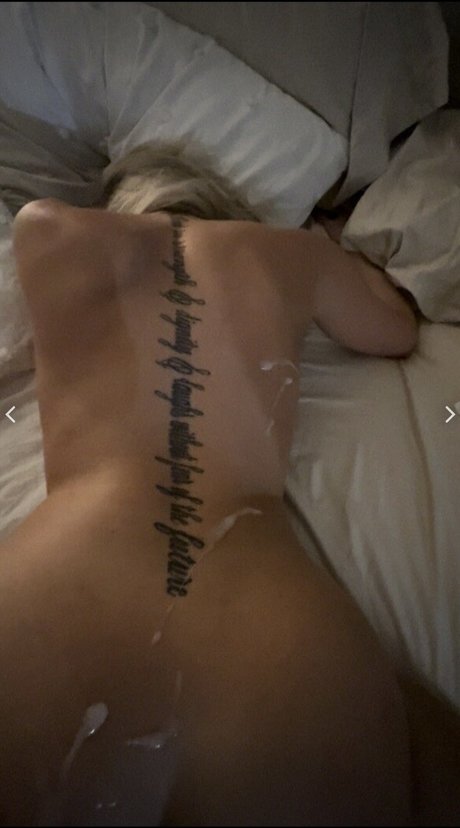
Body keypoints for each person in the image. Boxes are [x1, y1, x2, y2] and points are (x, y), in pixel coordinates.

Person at [0, 139, 458, 826]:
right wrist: (338, 256)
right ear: (226, 204)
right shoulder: (289, 253)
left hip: (50, 588)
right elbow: (394, 331)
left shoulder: (45, 230)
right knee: (421, 734)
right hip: (270, 635)